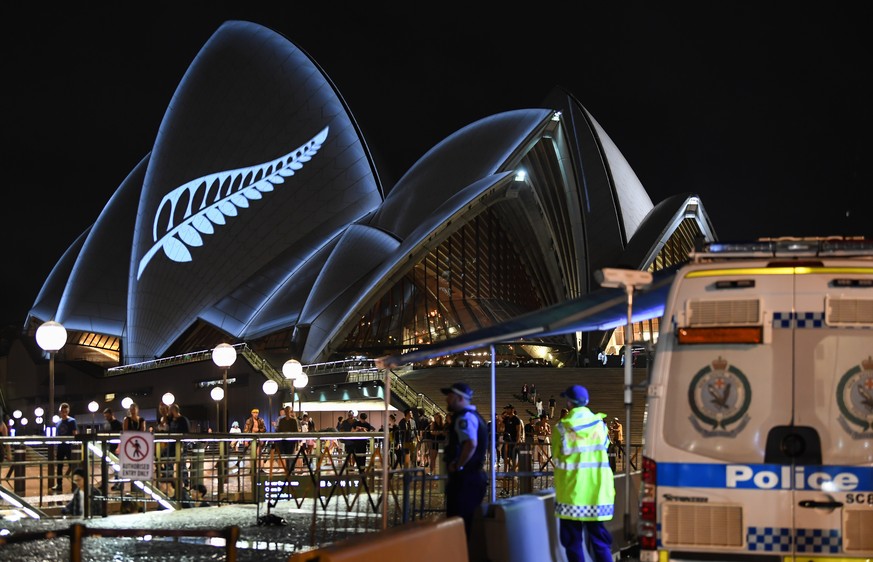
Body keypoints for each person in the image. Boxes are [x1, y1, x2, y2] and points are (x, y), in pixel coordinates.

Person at [553, 385, 615, 562]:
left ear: (569, 402)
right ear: (586, 402)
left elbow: (556, 457)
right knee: (599, 541)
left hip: (571, 493)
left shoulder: (562, 428)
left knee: (572, 542)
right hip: (598, 491)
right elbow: (604, 447)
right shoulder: (600, 426)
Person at [441, 382, 487, 542]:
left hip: (465, 479)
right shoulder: (475, 417)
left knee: (459, 525)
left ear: (460, 398)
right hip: (471, 478)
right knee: (465, 525)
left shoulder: (464, 418)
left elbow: (471, 443)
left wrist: (458, 465)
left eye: (450, 396)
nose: (447, 399)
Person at [53, 402, 78, 492]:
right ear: (60, 411)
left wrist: (75, 446)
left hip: (69, 446)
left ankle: (76, 483)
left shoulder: (72, 421)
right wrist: (56, 447)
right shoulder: (58, 422)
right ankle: (59, 484)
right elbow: (57, 435)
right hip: (60, 446)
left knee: (73, 465)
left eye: (66, 411)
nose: (64, 413)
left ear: (68, 411)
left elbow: (75, 434)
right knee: (59, 466)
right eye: (63, 411)